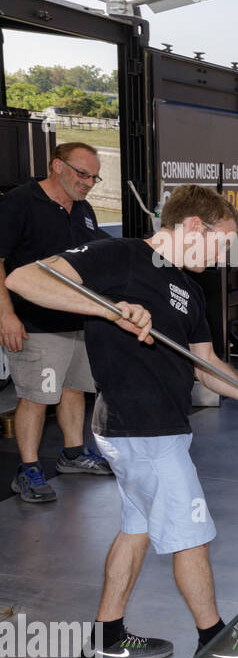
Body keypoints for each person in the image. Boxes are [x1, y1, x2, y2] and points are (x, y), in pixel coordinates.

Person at [4, 185, 238, 658]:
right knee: (190, 533)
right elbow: (25, 279)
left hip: (160, 427)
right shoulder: (121, 256)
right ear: (193, 227)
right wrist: (107, 308)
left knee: (136, 530)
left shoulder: (192, 290)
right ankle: (215, 641)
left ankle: (106, 637)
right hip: (140, 427)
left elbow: (205, 364)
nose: (223, 256)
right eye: (221, 243)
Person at [0, 142, 113, 503]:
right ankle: (29, 469)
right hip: (34, 322)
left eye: (95, 177)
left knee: (74, 390)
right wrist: (6, 316)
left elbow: (96, 255)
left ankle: (74, 453)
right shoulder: (19, 202)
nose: (89, 183)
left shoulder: (83, 209)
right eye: (83, 174)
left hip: (78, 320)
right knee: (36, 397)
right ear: (57, 166)